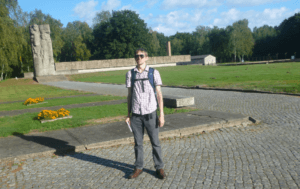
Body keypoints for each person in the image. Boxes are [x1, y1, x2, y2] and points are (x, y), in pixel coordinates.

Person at [125, 48, 166, 179]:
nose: (139, 58)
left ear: (146, 57)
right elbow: (129, 95)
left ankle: (159, 168)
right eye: (136, 56)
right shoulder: (130, 74)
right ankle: (138, 167)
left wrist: (162, 114)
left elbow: (159, 94)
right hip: (136, 115)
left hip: (151, 114)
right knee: (138, 144)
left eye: (141, 56)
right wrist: (128, 114)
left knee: (155, 142)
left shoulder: (154, 73)